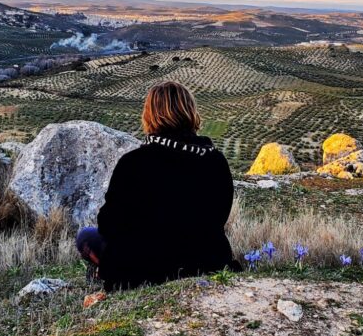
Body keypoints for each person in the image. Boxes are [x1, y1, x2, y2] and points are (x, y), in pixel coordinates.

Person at [76, 81, 241, 291]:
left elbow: (109, 224)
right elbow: (220, 217)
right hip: (206, 261)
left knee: (86, 236)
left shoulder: (133, 162)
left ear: (149, 115)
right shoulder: (215, 160)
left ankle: (102, 273)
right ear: (190, 112)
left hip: (144, 268)